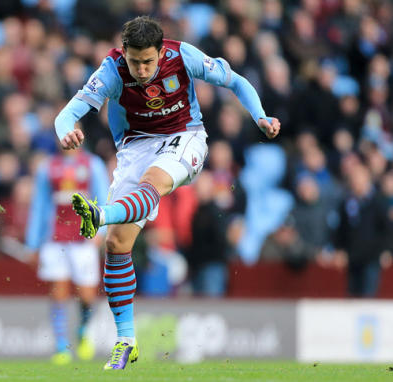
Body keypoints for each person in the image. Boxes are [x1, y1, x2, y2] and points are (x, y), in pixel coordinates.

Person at [56, 16, 280, 369]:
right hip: (135, 148)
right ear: (124, 54)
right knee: (116, 244)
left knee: (152, 184)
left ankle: (100, 214)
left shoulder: (183, 56)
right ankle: (126, 340)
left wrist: (261, 116)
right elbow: (67, 113)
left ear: (161, 51)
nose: (142, 70)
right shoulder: (112, 70)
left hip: (185, 137)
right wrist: (66, 130)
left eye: (148, 61)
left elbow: (236, 82)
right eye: (135, 62)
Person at [25, 146, 109, 365]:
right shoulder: (48, 166)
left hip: (84, 238)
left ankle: (82, 330)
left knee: (88, 295)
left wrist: (100, 230)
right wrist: (33, 242)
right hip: (54, 238)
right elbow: (40, 204)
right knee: (58, 292)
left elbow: (103, 197)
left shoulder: (93, 164)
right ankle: (61, 346)